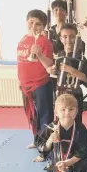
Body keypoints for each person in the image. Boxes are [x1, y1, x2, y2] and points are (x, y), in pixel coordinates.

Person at [36, 93, 87, 172]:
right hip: (59, 162)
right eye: (63, 109)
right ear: (56, 112)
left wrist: (68, 163)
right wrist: (50, 141)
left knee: (86, 166)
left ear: (76, 111)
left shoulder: (80, 128)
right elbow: (42, 146)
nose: (67, 112)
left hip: (75, 160)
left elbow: (83, 151)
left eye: (71, 109)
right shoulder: (51, 127)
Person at [17, 9, 54, 155]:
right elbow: (20, 62)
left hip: (41, 83)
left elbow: (50, 64)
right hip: (25, 84)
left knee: (44, 114)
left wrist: (39, 54)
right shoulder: (23, 40)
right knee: (32, 114)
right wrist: (19, 80)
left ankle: (46, 144)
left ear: (43, 26)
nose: (34, 26)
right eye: (31, 22)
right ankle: (36, 139)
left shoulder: (45, 42)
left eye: (38, 24)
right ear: (27, 22)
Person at [47, 23, 87, 126]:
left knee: (76, 122)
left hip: (75, 95)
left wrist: (72, 70)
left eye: (72, 37)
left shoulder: (81, 59)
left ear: (77, 38)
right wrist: (51, 71)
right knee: (60, 122)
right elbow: (53, 78)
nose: (68, 39)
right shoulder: (58, 57)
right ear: (61, 38)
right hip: (60, 94)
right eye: (65, 37)